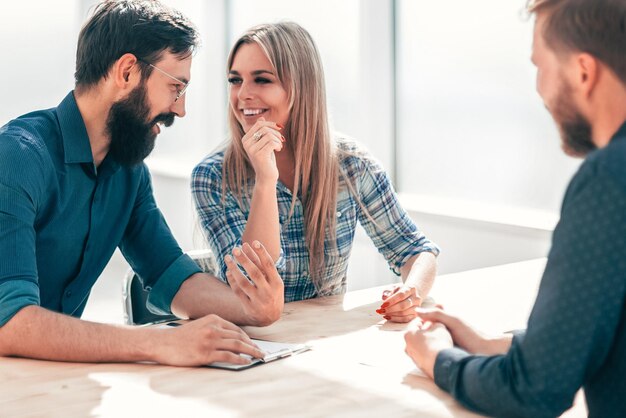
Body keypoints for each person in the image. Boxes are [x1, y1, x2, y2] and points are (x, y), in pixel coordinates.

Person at [0, 0, 284, 368]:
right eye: (175, 87)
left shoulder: (128, 173)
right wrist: (159, 343)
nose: (180, 110)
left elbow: (172, 275)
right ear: (128, 72)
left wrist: (254, 309)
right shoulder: (17, 158)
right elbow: (10, 322)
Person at [404, 0, 626, 416]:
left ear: (583, 72)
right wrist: (491, 345)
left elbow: (533, 390)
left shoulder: (609, 180)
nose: (540, 90)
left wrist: (437, 358)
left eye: (540, 67)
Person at [191, 22, 440, 323]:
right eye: (235, 80)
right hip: (251, 339)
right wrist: (265, 181)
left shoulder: (352, 165)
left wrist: (411, 293)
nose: (243, 94)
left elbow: (414, 249)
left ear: (302, 86)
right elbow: (252, 284)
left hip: (322, 336)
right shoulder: (211, 176)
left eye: (262, 80)